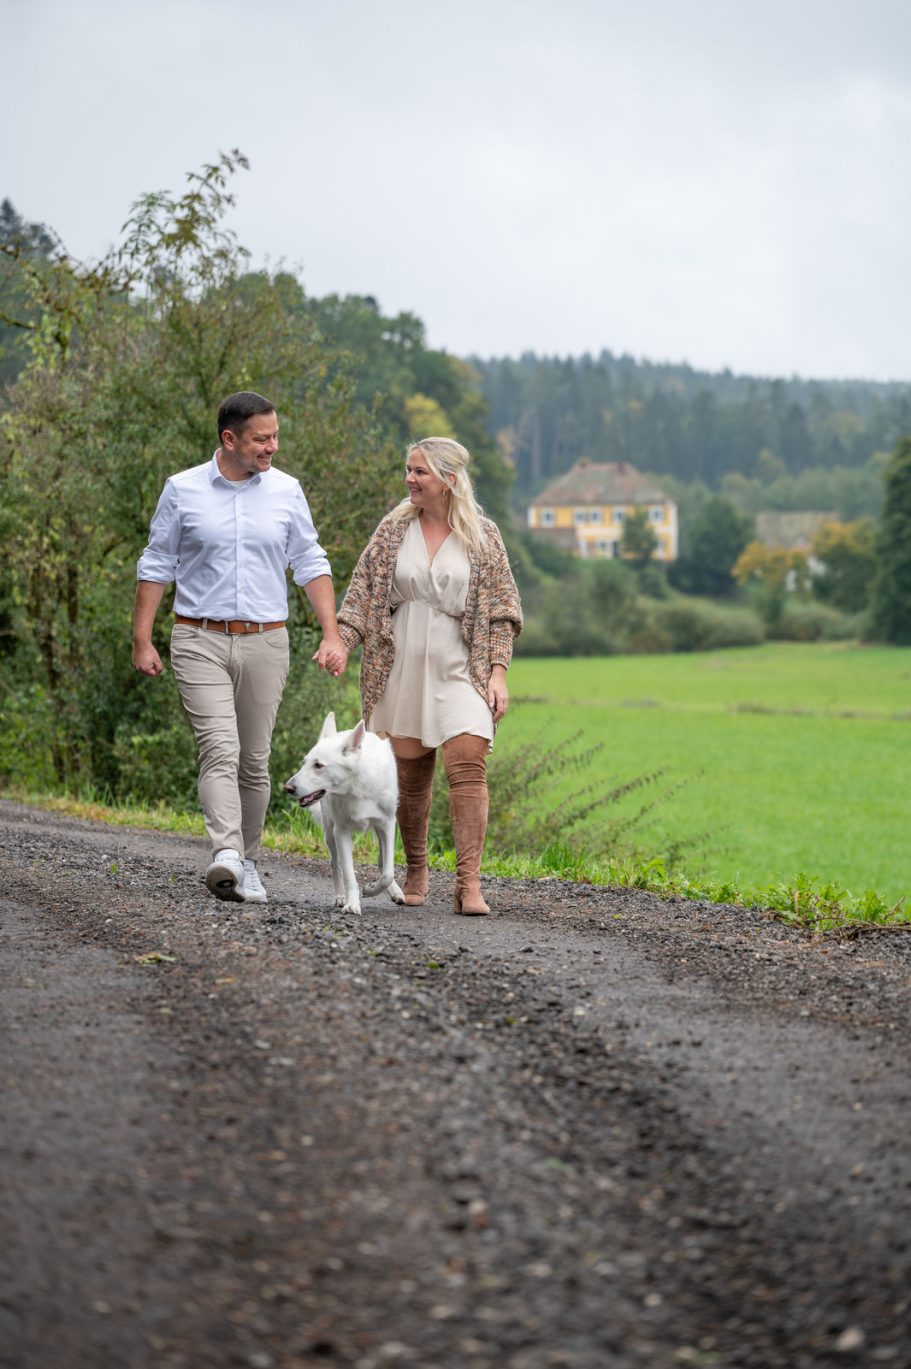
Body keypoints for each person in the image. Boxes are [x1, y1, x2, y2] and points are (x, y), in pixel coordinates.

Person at [132, 391, 347, 905]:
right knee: (219, 749)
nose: (272, 447)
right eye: (261, 439)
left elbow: (310, 561)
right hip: (198, 637)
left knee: (254, 760)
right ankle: (225, 853)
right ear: (229, 439)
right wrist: (142, 637)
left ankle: (248, 863)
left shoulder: (287, 491)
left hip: (266, 640)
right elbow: (157, 562)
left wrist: (331, 633)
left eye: (275, 436)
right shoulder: (182, 490)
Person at [337, 437, 522, 915]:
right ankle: (416, 868)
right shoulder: (393, 529)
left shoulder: (483, 535)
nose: (409, 479)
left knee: (468, 764)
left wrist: (498, 675)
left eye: (419, 471)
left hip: (463, 666)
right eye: (408, 469)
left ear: (448, 480)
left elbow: (502, 611)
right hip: (399, 664)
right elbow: (361, 592)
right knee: (411, 777)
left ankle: (469, 883)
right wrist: (340, 641)